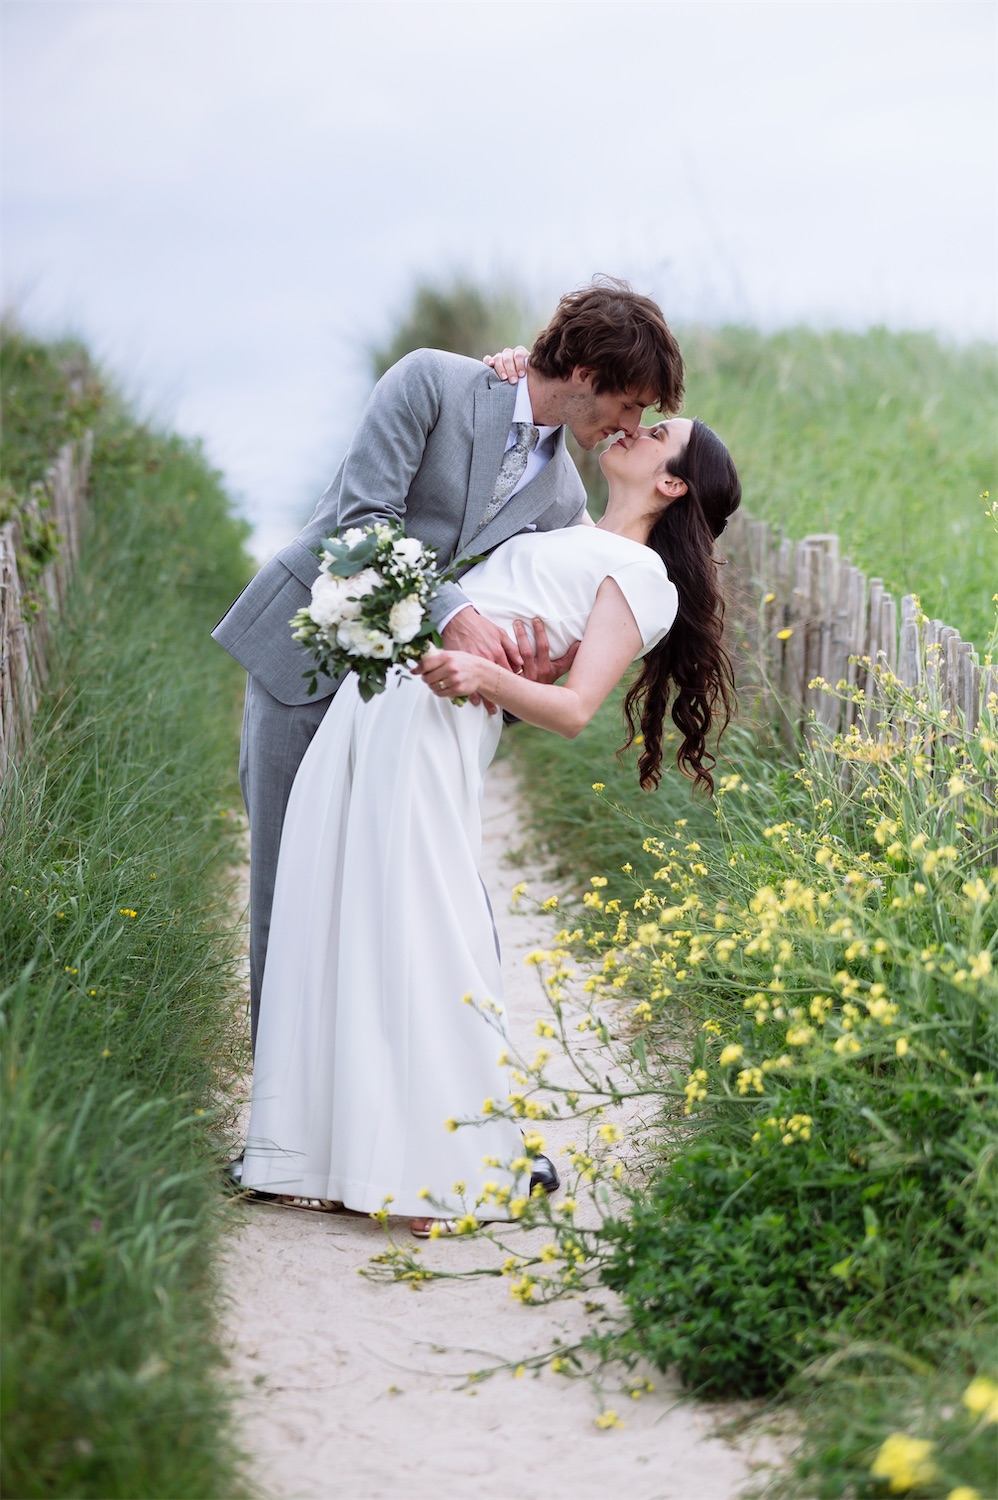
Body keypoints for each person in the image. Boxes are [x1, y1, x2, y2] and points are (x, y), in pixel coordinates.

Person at [238, 413, 741, 1238]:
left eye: (655, 434)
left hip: (442, 718)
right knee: (338, 907)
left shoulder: (643, 576)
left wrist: (478, 671)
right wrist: (511, 365)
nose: (632, 429)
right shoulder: (564, 520)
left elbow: (575, 708)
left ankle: (446, 1167)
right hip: (381, 703)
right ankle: (336, 1158)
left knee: (423, 924)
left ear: (673, 482)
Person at [212, 279, 685, 1065]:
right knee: (285, 881)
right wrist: (453, 609)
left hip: (412, 704)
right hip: (310, 656)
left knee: (418, 893)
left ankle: (448, 1095)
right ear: (583, 371)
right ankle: (277, 1112)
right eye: (629, 404)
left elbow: (540, 597)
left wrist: (533, 653)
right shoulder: (430, 379)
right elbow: (363, 523)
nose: (630, 427)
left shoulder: (564, 492)